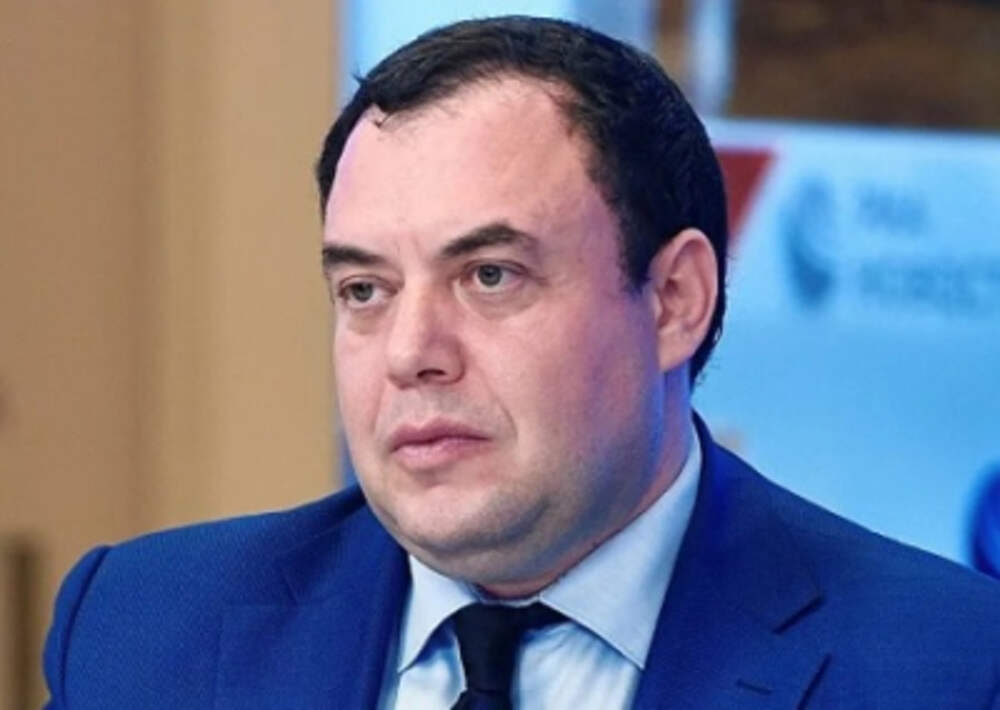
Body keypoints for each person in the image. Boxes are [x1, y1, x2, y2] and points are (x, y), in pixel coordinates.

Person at [43, 16, 1000, 710]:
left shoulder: (947, 670)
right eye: (365, 290)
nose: (410, 354)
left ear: (674, 300)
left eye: (489, 276)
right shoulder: (143, 634)